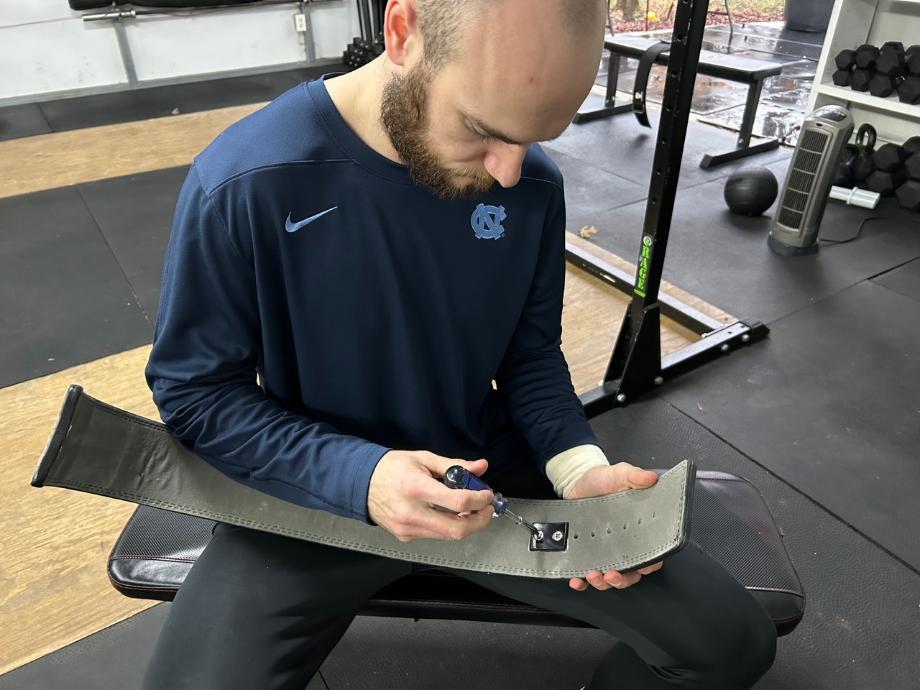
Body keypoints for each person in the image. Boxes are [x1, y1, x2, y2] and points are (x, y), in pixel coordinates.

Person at [141, 1, 777, 688]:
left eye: (535, 138)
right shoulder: (247, 179)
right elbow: (197, 394)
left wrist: (578, 472)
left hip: (490, 487)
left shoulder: (532, 182)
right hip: (311, 499)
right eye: (482, 129)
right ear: (403, 32)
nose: (509, 172)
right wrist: (363, 478)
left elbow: (529, 356)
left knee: (732, 644)